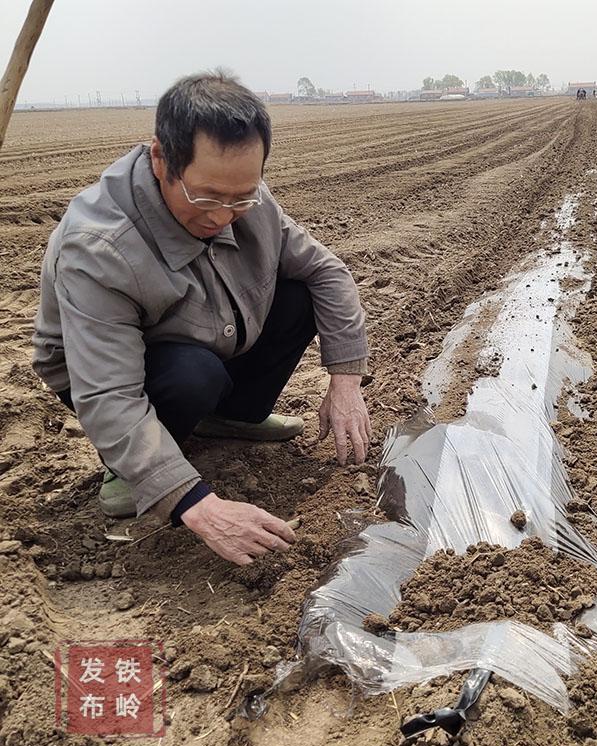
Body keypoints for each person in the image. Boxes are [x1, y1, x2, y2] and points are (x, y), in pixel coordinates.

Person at [32, 70, 371, 566]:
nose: (222, 215)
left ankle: (228, 419)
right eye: (207, 196)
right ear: (160, 159)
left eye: (242, 197)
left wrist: (346, 383)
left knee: (298, 294)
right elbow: (107, 392)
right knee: (194, 374)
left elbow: (328, 272)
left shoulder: (246, 200)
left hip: (204, 330)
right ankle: (129, 471)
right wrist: (196, 504)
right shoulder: (100, 246)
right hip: (109, 369)